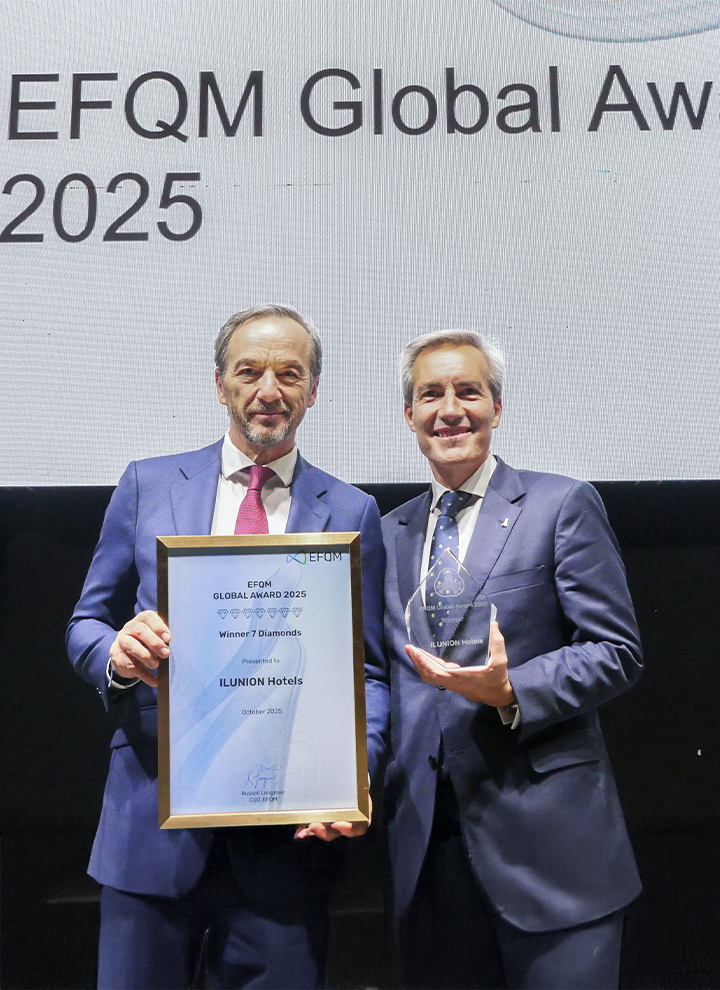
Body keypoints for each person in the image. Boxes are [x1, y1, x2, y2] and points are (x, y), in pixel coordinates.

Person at [66, 305, 387, 990]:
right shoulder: (148, 484)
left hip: (287, 841)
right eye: (249, 371)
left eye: (289, 373)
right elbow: (85, 625)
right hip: (149, 828)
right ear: (220, 384)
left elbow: (368, 671)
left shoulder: (353, 511)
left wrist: (357, 775)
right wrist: (117, 653)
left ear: (313, 390)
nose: (268, 389)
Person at [381, 330, 642, 990]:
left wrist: (510, 690)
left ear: (497, 407)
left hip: (552, 851)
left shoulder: (560, 505)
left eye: (469, 391)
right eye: (430, 394)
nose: (450, 409)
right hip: (431, 855)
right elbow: (374, 678)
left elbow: (616, 650)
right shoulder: (385, 536)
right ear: (408, 414)